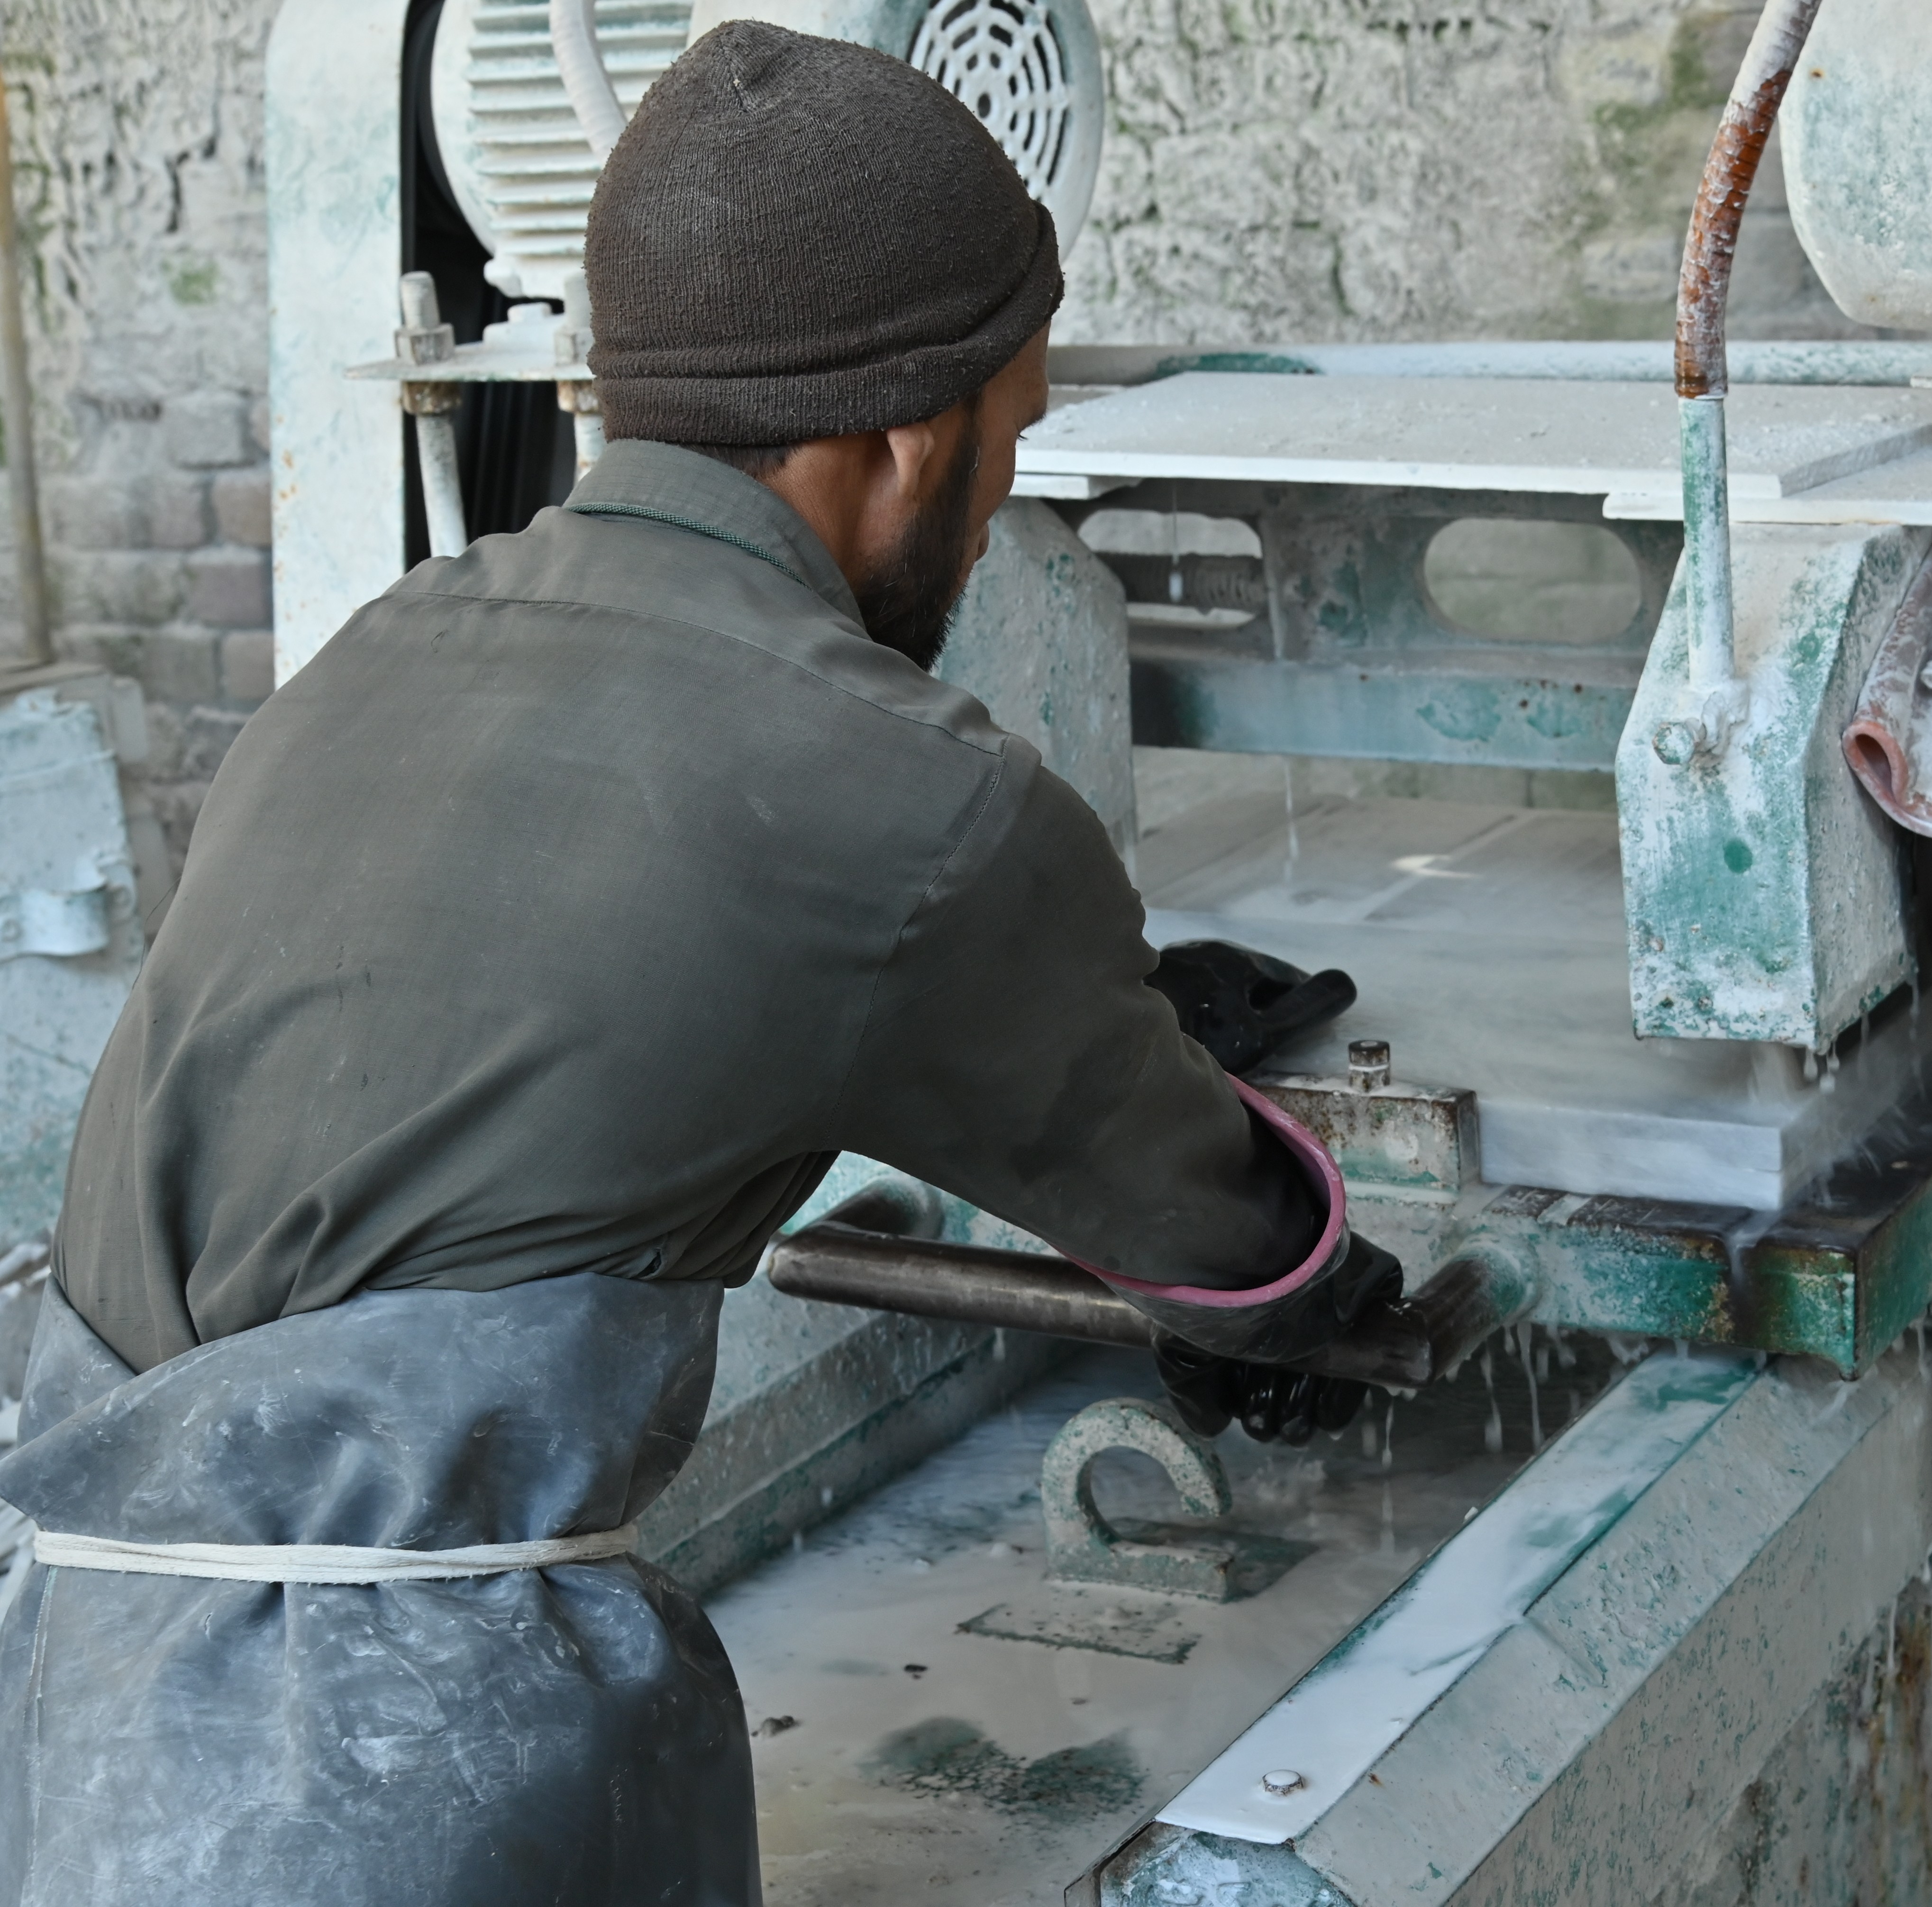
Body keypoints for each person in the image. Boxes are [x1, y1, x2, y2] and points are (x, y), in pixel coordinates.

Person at [0, 24, 1387, 1903]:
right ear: (908, 443)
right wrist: (1330, 1291)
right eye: (1014, 442)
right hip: (411, 1792)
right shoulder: (910, 794)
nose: (994, 510)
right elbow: (1217, 1242)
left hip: (76, 1714)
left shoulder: (378, 651)